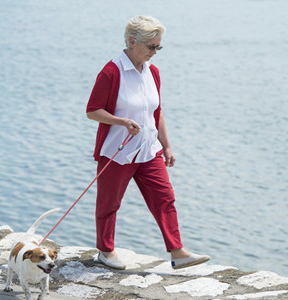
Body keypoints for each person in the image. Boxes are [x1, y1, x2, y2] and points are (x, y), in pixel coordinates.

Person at [86, 15, 210, 270]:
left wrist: (166, 145)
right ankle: (106, 252)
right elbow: (92, 110)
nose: (155, 52)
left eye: (158, 47)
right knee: (109, 204)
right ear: (132, 42)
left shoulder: (152, 72)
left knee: (165, 198)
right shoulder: (112, 72)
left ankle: (177, 252)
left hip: (148, 150)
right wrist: (122, 122)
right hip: (117, 153)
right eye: (151, 46)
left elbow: (157, 112)